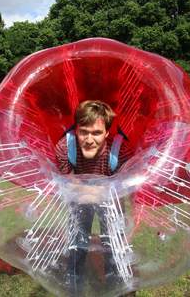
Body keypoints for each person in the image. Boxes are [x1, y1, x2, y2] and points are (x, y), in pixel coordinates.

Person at [55, 100, 135, 296]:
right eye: (84, 132)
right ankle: (74, 289)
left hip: (111, 199)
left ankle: (115, 287)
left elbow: (123, 187)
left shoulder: (120, 150)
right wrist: (94, 192)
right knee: (76, 243)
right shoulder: (64, 148)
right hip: (83, 197)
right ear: (76, 131)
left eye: (97, 133)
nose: (89, 139)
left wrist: (88, 191)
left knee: (113, 245)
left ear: (107, 133)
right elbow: (68, 185)